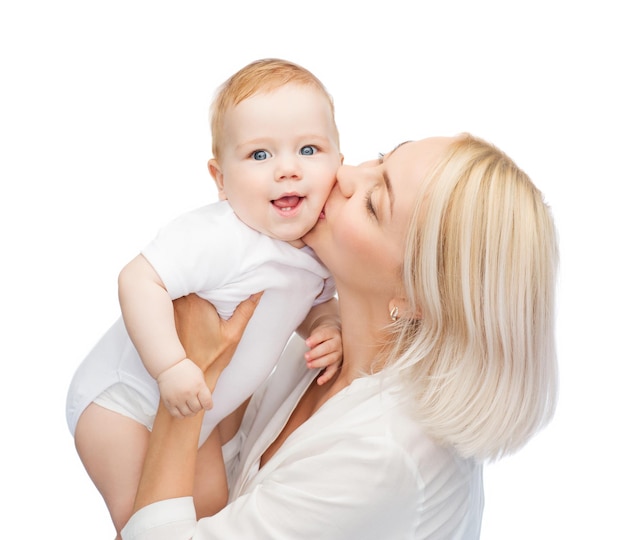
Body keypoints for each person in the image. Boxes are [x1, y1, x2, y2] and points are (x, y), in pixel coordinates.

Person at [120, 134, 559, 539]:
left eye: (374, 202)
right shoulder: (327, 346)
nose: (344, 174)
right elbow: (226, 492)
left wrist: (191, 376)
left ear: (415, 297)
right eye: (383, 158)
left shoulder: (383, 455)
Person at [65, 58, 344, 537]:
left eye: (309, 148)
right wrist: (170, 365)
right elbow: (138, 280)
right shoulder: (221, 236)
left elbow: (313, 301)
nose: (288, 169)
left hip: (198, 412)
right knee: (143, 516)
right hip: (123, 403)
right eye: (260, 155)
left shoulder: (319, 249)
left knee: (213, 513)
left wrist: (326, 326)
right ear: (220, 178)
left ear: (339, 159)